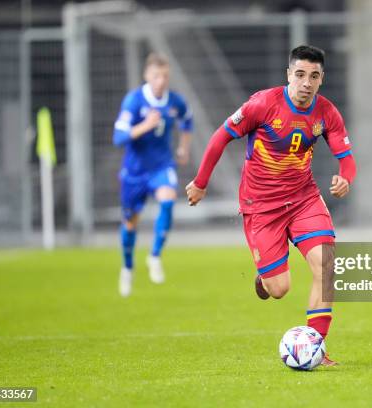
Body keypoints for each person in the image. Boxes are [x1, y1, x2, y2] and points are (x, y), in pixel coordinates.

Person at [186, 45, 356, 366]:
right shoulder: (263, 105)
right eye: (301, 74)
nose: (307, 82)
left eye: (314, 76)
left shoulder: (326, 113)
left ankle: (316, 347)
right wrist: (201, 182)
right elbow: (220, 138)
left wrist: (345, 178)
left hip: (304, 198)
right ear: (288, 75)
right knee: (279, 289)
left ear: (322, 80)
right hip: (261, 206)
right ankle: (265, 277)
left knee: (327, 265)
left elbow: (346, 159)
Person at [113, 52, 193, 297]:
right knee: (130, 224)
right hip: (135, 172)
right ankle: (127, 268)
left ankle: (155, 255)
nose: (161, 80)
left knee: (168, 201)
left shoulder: (174, 102)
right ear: (147, 75)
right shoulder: (134, 101)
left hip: (161, 166)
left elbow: (187, 121)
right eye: (157, 75)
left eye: (165, 76)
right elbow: (118, 138)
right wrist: (145, 126)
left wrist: (183, 148)